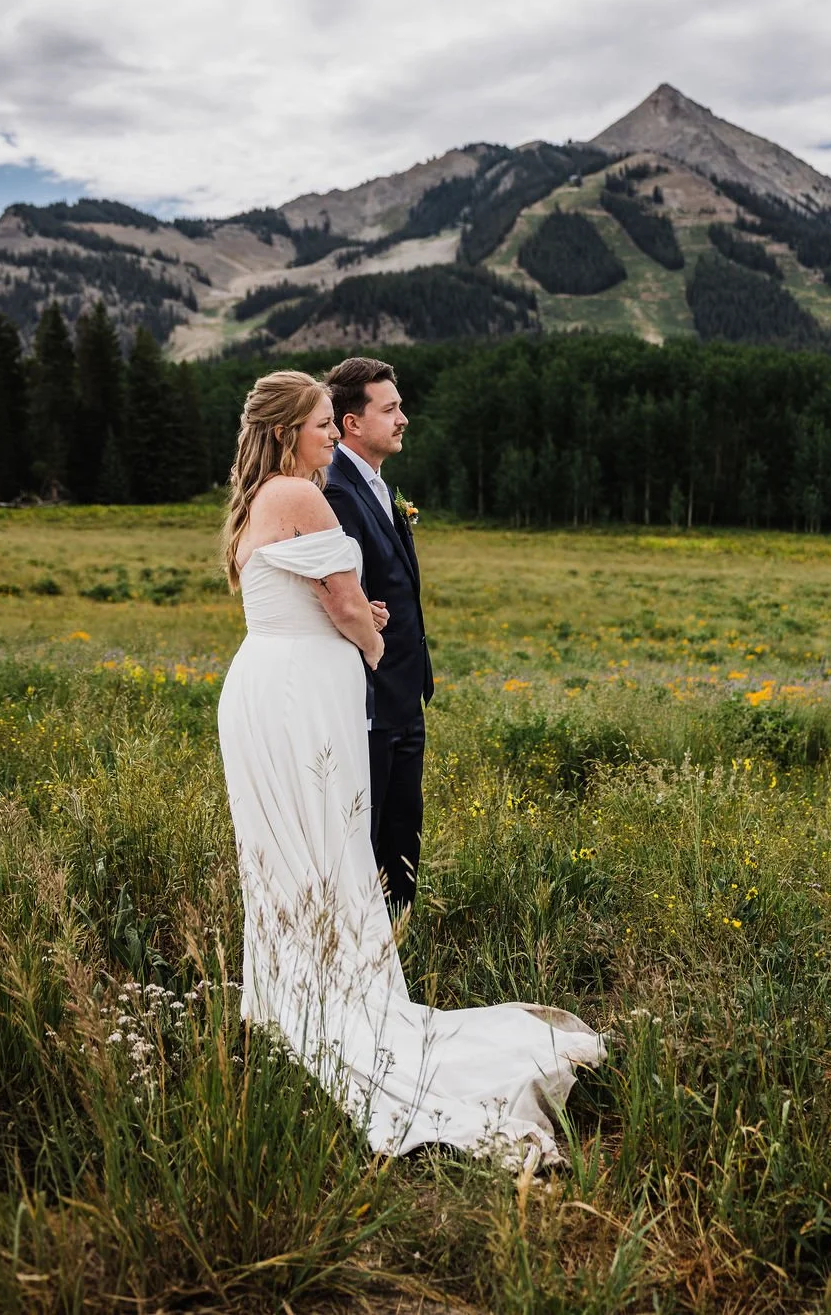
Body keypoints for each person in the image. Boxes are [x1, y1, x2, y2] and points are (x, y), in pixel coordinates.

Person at [216, 369, 602, 1166]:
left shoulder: (260, 500)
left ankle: (290, 1004)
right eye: (325, 422)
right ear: (291, 431)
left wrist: (355, 616)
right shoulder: (303, 493)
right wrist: (371, 639)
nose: (332, 434)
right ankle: (337, 1011)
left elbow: (306, 592)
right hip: (301, 695)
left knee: (292, 859)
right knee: (331, 850)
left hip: (263, 689)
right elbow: (346, 600)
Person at [322, 357, 431, 914]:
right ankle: (373, 959)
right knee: (374, 840)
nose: (403, 418)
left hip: (402, 694)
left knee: (402, 834)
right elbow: (343, 600)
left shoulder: (376, 485)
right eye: (389, 409)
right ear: (352, 424)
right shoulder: (338, 492)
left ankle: (398, 954)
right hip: (370, 698)